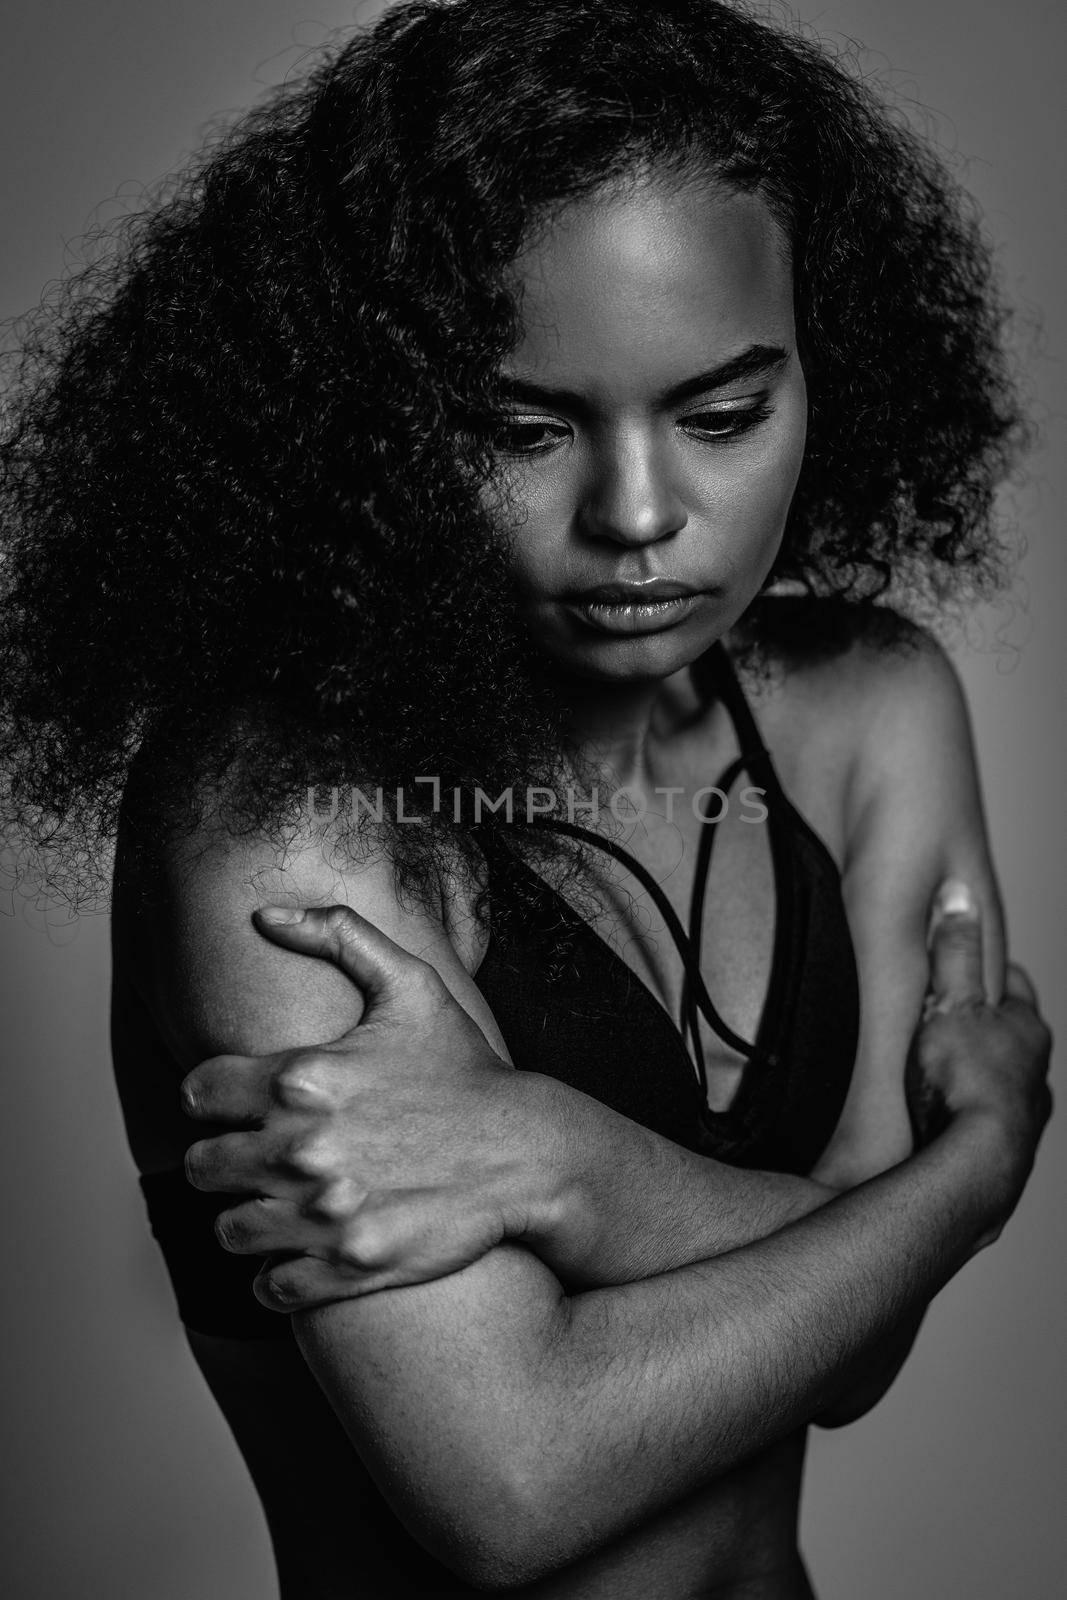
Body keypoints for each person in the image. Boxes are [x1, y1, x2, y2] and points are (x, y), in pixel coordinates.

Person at [0, 1, 1052, 1596]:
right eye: (520, 427)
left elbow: (858, 1356)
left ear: (828, 365)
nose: (638, 516)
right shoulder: (289, 822)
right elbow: (514, 1481)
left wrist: (558, 1157)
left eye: (720, 416)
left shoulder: (868, 711)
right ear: (371, 418)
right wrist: (965, 1179)